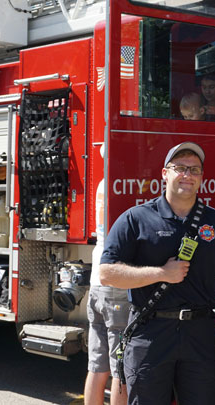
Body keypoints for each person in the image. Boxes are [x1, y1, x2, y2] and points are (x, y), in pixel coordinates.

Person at [99, 142, 215, 405]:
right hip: (150, 333)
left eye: (194, 170)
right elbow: (107, 274)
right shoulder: (136, 219)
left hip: (200, 333)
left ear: (201, 177)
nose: (187, 175)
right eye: (180, 168)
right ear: (164, 173)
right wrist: (160, 273)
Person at [85, 144, 131, 405]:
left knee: (97, 365)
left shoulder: (102, 184)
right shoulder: (120, 186)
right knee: (120, 368)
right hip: (116, 284)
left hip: (97, 281)